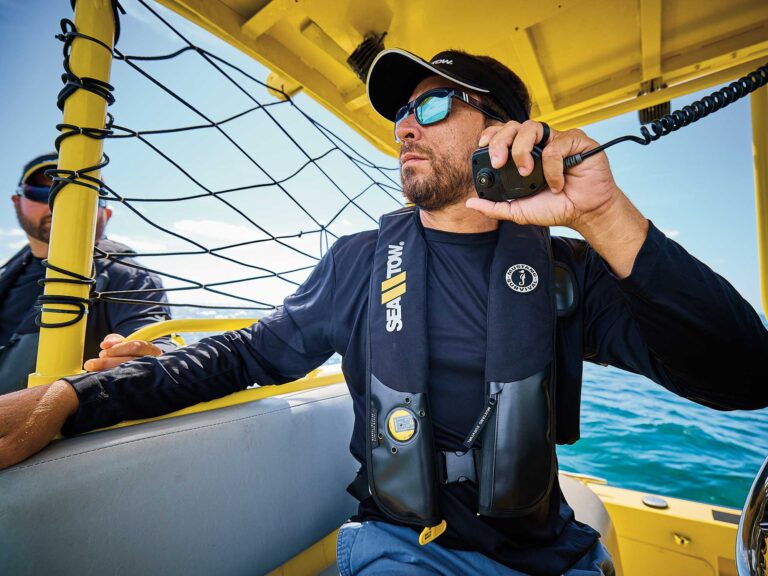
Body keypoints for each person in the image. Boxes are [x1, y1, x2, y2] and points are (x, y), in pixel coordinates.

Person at [0, 50, 767, 576]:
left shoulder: (568, 272)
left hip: (553, 555)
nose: (405, 125)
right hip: (402, 550)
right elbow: (246, 354)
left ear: (501, 129)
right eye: (401, 112)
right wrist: (79, 396)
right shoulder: (359, 262)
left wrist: (605, 216)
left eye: (432, 103)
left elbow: (744, 374)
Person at [0, 152, 176, 394]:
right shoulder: (9, 272)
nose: (59, 201)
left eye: (83, 192)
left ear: (106, 213)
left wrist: (150, 356)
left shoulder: (129, 276)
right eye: (41, 192)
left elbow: (156, 342)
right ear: (16, 202)